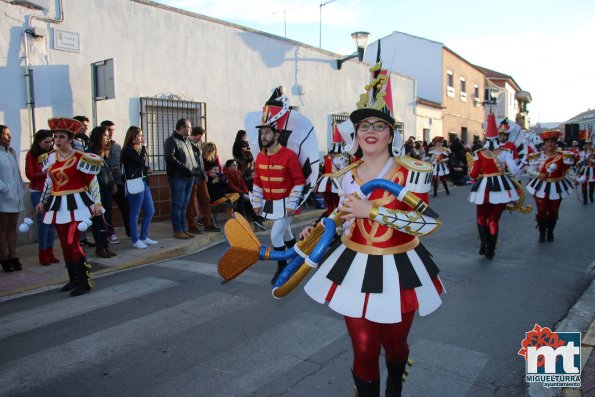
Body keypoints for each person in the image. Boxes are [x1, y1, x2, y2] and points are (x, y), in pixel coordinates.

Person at [299, 62, 443, 397]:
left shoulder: (412, 172)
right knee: (363, 349)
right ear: (356, 133)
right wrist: (318, 229)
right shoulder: (344, 173)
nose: (371, 130)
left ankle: (395, 379)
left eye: (380, 125)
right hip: (355, 264)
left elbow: (428, 222)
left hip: (400, 266)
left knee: (395, 346)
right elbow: (340, 214)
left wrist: (373, 211)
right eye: (365, 125)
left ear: (391, 134)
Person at [36, 117, 104, 296]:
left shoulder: (82, 157)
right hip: (58, 205)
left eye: (61, 137)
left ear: (70, 138)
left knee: (71, 242)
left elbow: (93, 182)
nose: (57, 140)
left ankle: (84, 281)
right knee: (64, 244)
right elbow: (49, 183)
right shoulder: (50, 158)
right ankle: (73, 279)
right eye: (55, 137)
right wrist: (42, 201)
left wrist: (97, 203)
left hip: (78, 204)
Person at [252, 118, 305, 284]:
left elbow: (299, 180)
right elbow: (258, 181)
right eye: (262, 133)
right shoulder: (260, 156)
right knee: (287, 233)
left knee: (275, 236)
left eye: (267, 132)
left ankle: (282, 267)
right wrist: (257, 203)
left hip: (288, 204)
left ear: (276, 134)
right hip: (272, 205)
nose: (263, 136)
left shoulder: (289, 155)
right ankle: (297, 258)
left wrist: (292, 204)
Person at [468, 114, 520, 258]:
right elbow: (515, 171)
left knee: (481, 218)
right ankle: (491, 249)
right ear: (498, 138)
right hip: (502, 187)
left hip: (484, 188)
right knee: (493, 220)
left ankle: (485, 244)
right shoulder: (505, 152)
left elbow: (472, 175)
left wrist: (472, 173)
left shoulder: (478, 153)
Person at [526, 129, 575, 242]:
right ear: (544, 143)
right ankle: (542, 232)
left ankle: (550, 232)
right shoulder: (537, 156)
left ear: (556, 143)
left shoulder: (563, 157)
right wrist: (538, 174)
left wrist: (576, 179)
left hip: (557, 186)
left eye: (552, 141)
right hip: (540, 186)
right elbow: (530, 170)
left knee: (553, 211)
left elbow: (569, 170)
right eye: (547, 141)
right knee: (542, 210)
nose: (550, 144)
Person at [25, 129, 60, 266]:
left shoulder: (53, 153)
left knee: (52, 224)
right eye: (46, 142)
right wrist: (46, 173)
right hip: (37, 191)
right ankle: (42, 253)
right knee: (44, 223)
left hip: (52, 191)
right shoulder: (31, 154)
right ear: (38, 141)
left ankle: (50, 252)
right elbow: (30, 174)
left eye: (51, 141)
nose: (49, 144)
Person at [121, 126, 157, 248]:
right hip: (134, 183)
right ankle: (135, 240)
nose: (141, 138)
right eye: (139, 135)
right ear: (132, 136)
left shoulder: (135, 149)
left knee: (150, 210)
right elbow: (140, 161)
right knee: (135, 213)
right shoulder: (128, 150)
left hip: (143, 182)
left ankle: (144, 236)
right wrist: (144, 147)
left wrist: (146, 169)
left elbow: (139, 165)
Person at [164, 118, 200, 239]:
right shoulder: (171, 140)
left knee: (184, 205)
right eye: (188, 127)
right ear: (181, 127)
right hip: (177, 178)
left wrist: (194, 169)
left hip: (189, 177)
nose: (190, 129)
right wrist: (186, 168)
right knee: (178, 204)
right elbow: (169, 158)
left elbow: (192, 157)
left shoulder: (187, 141)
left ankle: (183, 229)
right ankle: (177, 230)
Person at [86, 126, 117, 258]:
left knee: (106, 218)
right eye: (105, 135)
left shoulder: (104, 152)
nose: (108, 137)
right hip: (96, 192)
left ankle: (105, 245)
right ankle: (100, 247)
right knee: (98, 220)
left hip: (107, 189)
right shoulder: (90, 153)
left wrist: (112, 183)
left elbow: (107, 170)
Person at [0, 125, 25, 272]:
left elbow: (17, 172)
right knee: (2, 228)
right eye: (6, 134)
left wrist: (19, 186)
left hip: (15, 196)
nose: (9, 137)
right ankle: (3, 257)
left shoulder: (11, 152)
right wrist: (5, 188)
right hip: (3, 196)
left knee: (12, 227)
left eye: (9, 134)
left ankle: (13, 256)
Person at [185, 126, 219, 234]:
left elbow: (201, 160)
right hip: (191, 176)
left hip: (200, 175)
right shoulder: (186, 143)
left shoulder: (198, 144)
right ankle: (191, 225)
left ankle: (208, 224)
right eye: (201, 137)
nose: (202, 139)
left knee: (205, 198)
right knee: (190, 201)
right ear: (198, 136)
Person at [104, 119, 130, 241]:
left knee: (125, 207)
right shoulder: (99, 147)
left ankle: (130, 231)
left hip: (119, 182)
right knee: (107, 210)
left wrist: (120, 172)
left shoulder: (117, 146)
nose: (111, 132)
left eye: (112, 130)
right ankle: (110, 233)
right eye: (108, 130)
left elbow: (122, 163)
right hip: (106, 183)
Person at [576, 139, 594, 204]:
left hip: (592, 170)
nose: (588, 145)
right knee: (584, 184)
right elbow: (580, 161)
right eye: (587, 144)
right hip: (584, 170)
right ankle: (585, 199)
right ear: (585, 145)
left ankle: (591, 196)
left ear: (591, 144)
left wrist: (591, 160)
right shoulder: (583, 152)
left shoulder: (594, 152)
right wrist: (578, 162)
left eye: (589, 144)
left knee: (592, 185)